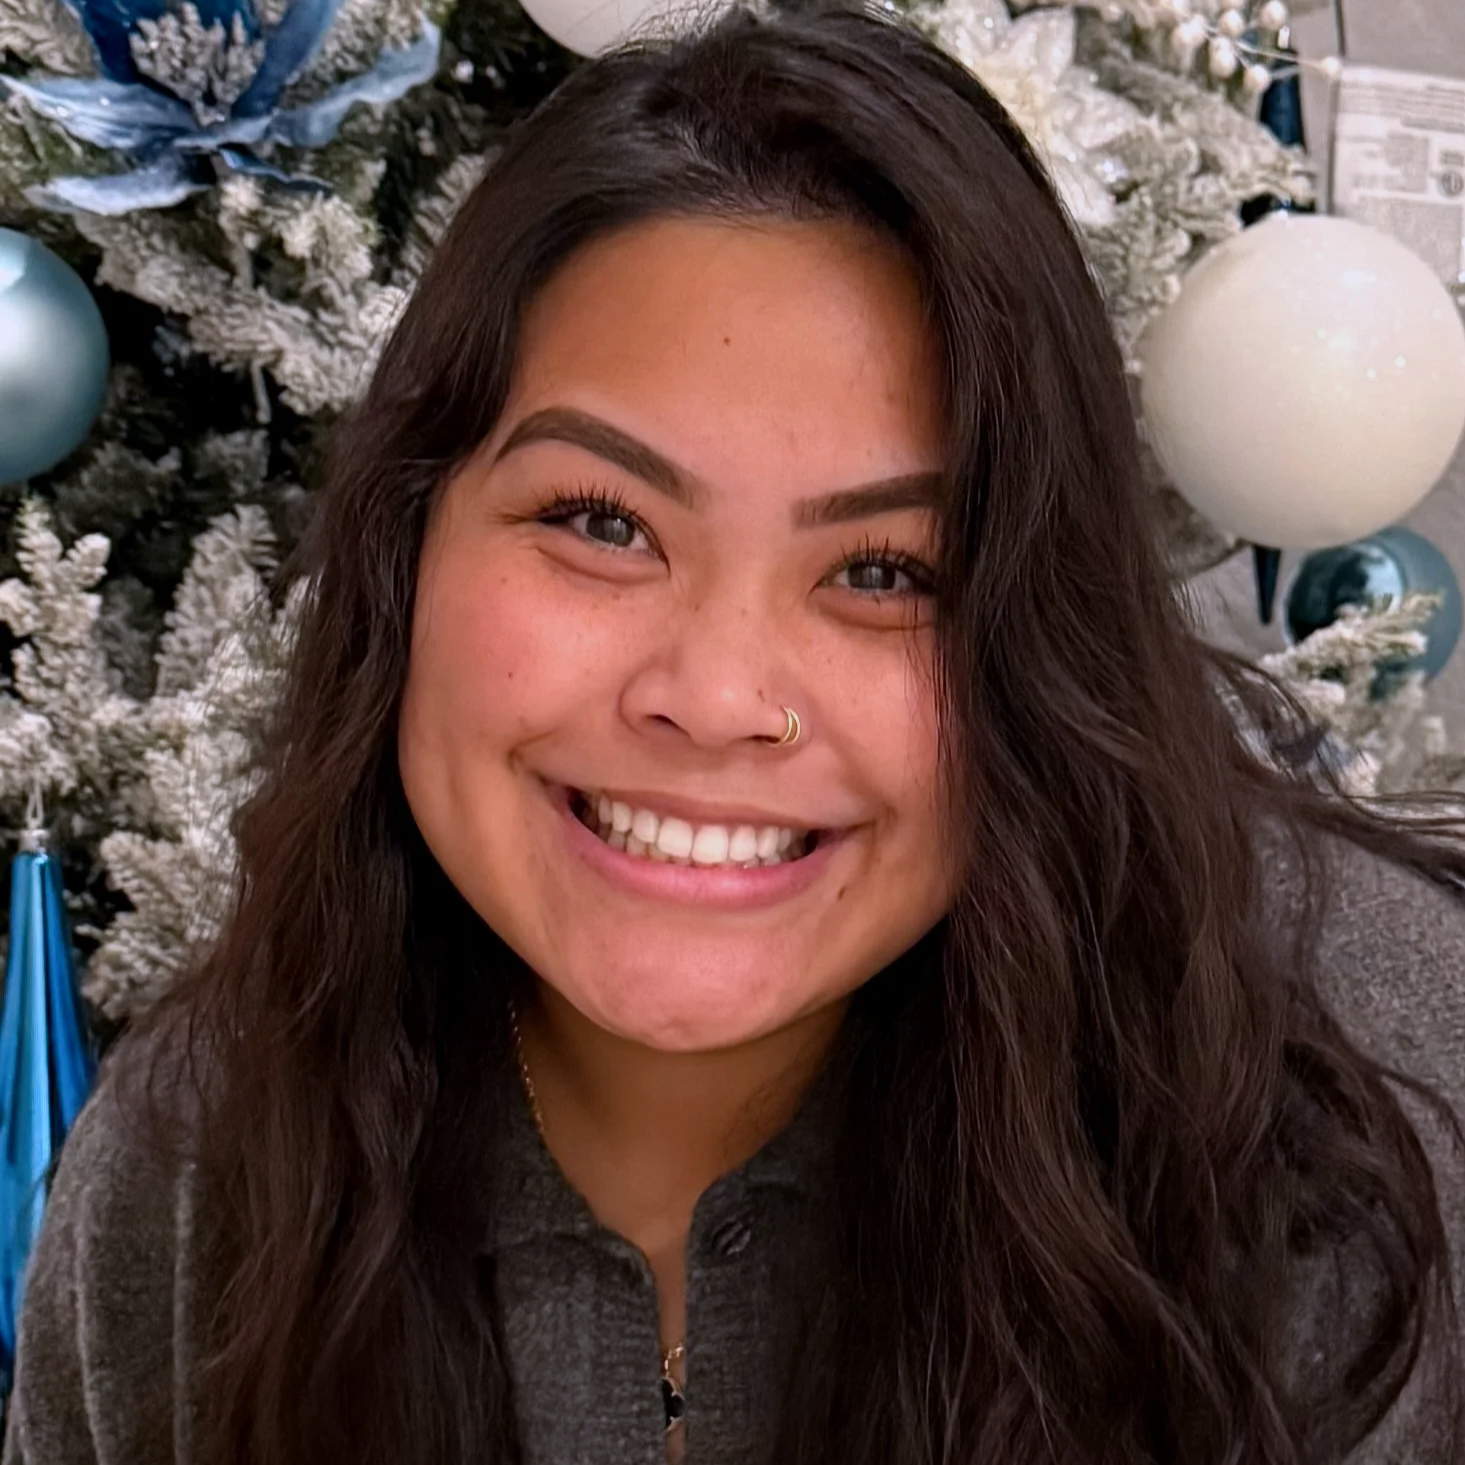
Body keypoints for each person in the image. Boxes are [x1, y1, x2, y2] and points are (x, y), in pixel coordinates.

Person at [5, 4, 1465, 1463]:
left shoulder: (1358, 1128)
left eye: (884, 571)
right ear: (406, 554)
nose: (713, 697)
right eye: (602, 523)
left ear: (1040, 646)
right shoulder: (197, 1164)